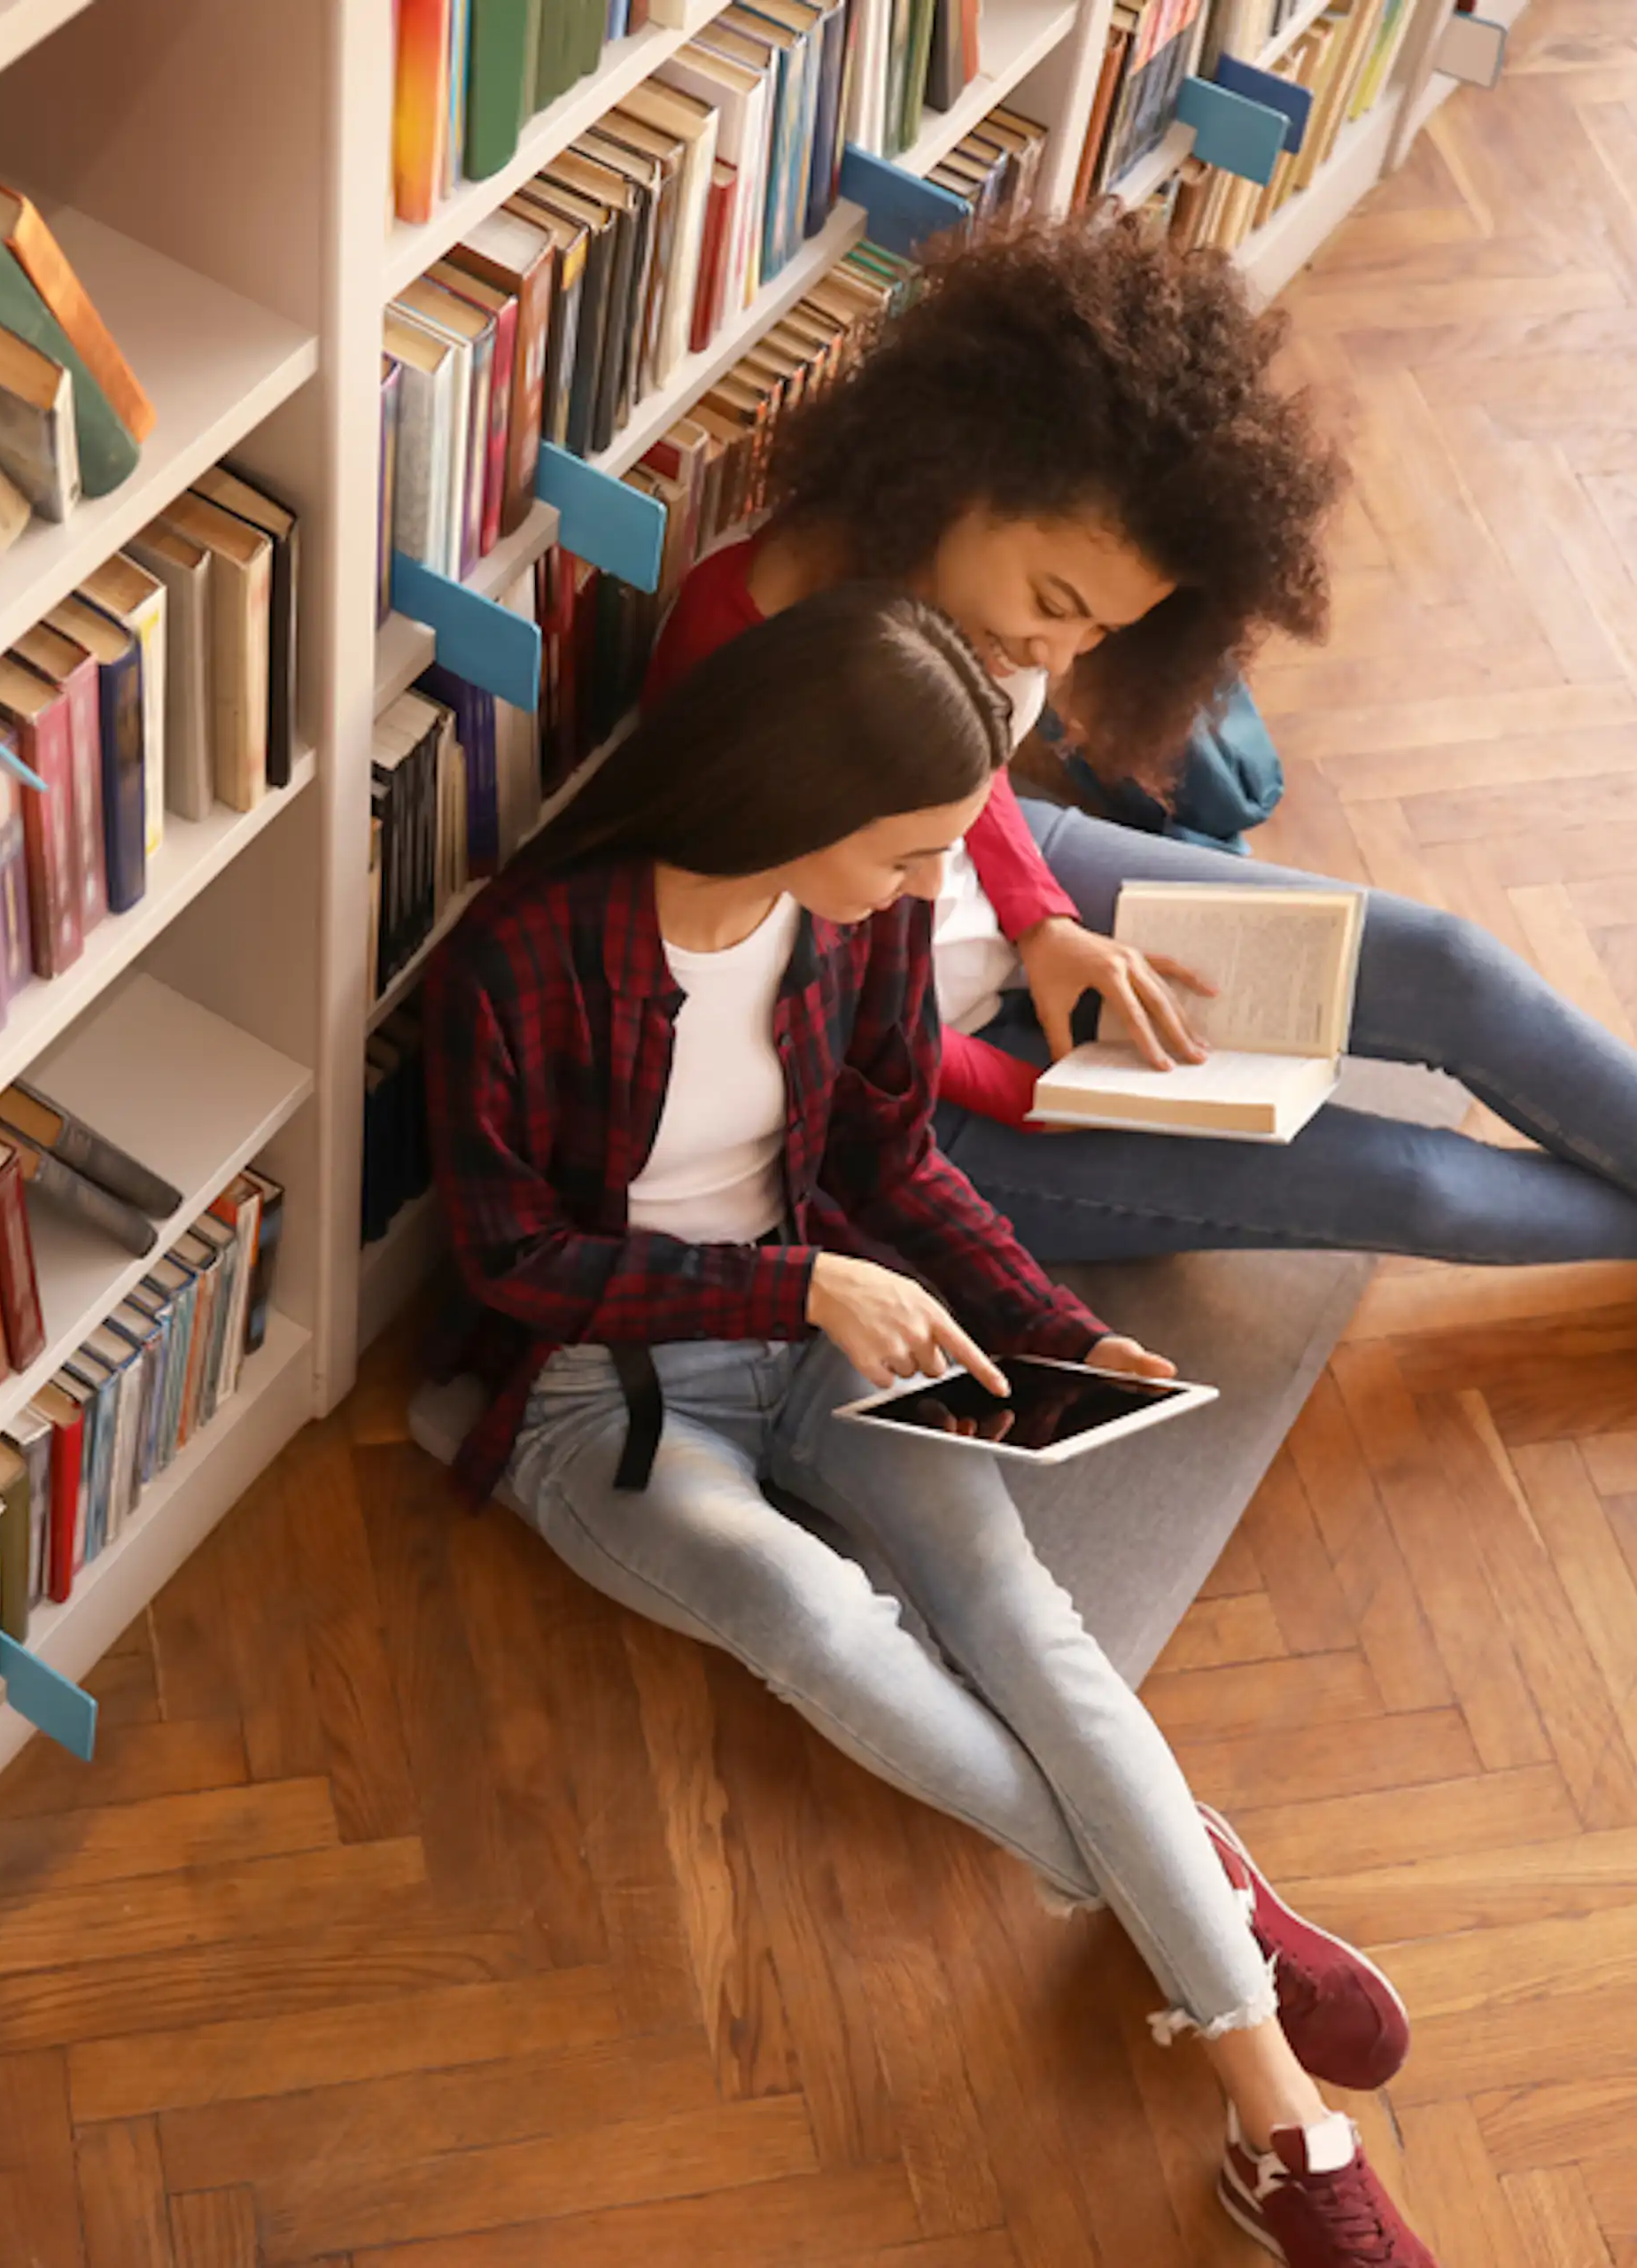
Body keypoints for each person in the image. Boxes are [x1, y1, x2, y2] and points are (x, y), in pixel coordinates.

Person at [431, 586, 1439, 2267]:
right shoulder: (530, 956)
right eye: (908, 853)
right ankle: (1197, 1891)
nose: (928, 894)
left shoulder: (861, 925)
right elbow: (510, 1261)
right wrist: (797, 1293)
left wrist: (1058, 1331)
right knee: (815, 1619)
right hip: (604, 1391)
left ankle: (1288, 2137)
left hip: (833, 1312)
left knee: (1018, 1619)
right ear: (797, 798)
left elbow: (894, 1162)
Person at [646, 214, 1637, 1417]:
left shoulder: (980, 613)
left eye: (1099, 632)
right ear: (946, 481)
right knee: (1414, 1191)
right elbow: (803, 1019)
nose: (1052, 662)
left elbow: (974, 785)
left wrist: (1050, 923)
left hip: (996, 936)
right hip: (906, 1095)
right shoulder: (748, 659)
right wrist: (1041, 1089)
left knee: (1442, 964)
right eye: (1054, 609)